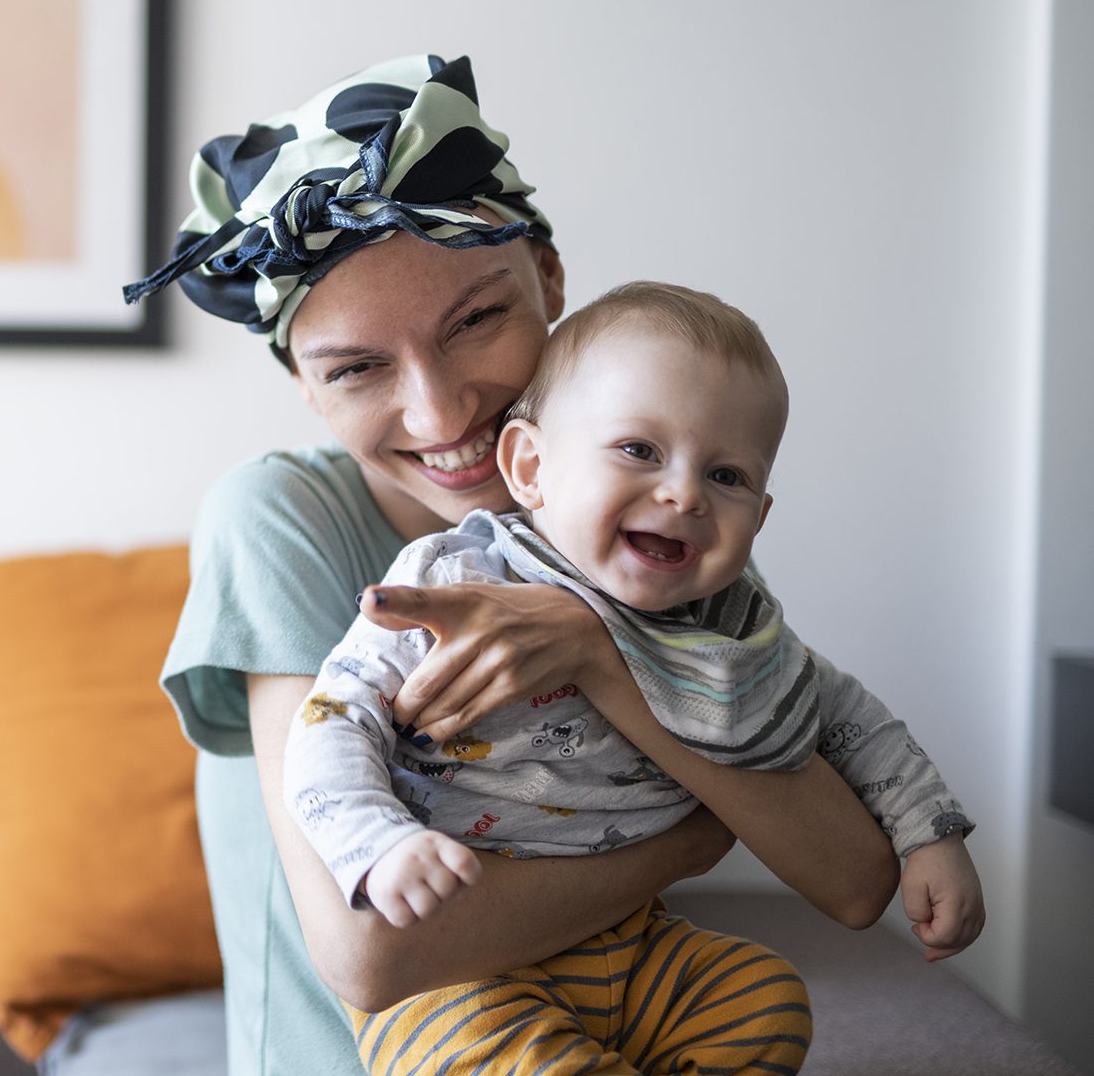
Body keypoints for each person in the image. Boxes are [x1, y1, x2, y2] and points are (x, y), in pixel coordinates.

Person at [125, 53, 901, 1075]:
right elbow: (370, 956)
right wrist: (698, 830)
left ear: (550, 280)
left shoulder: (628, 513)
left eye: (476, 321)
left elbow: (852, 879)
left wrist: (593, 650)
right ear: (306, 388)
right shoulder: (278, 518)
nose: (443, 415)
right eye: (357, 368)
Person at [283, 280, 983, 1072]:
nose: (684, 494)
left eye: (727, 476)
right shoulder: (457, 583)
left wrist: (932, 836)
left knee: (763, 1000)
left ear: (758, 517)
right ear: (530, 465)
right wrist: (377, 844)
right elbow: (328, 724)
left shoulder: (730, 631)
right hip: (468, 970)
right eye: (639, 451)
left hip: (638, 946)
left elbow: (854, 723)